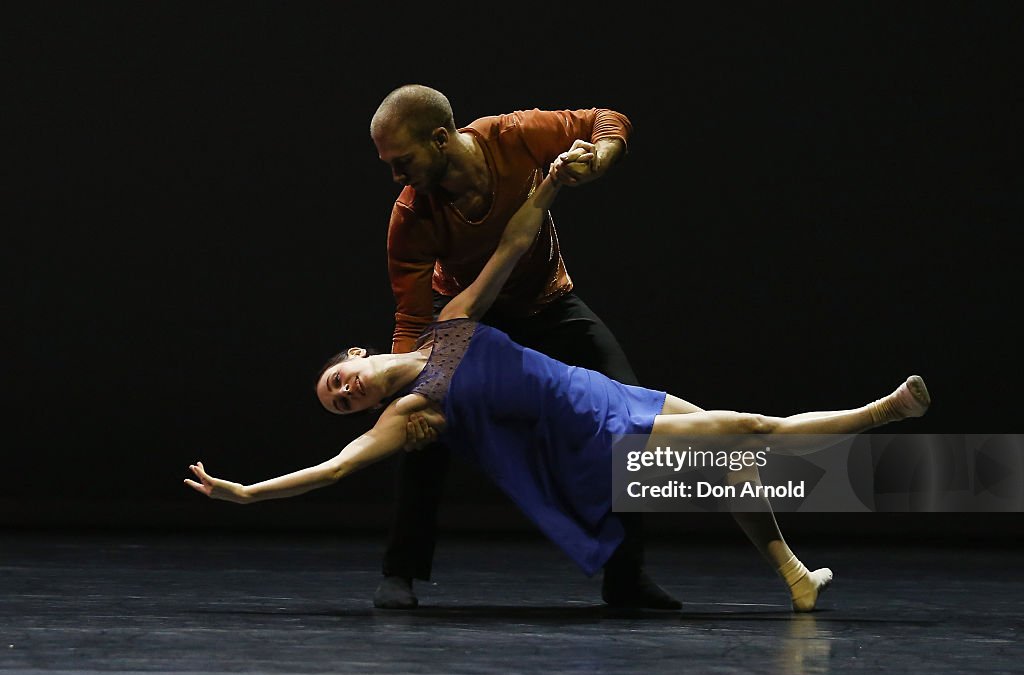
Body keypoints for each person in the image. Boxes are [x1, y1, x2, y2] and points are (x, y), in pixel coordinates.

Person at [185, 157, 932, 613]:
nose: (347, 392)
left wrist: (544, 190)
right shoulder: (417, 405)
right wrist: (247, 493)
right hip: (592, 437)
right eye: (343, 402)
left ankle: (795, 576)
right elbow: (338, 467)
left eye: (339, 381)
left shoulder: (447, 327)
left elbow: (510, 249)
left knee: (730, 466)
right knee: (750, 431)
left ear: (354, 352)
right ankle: (879, 412)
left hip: (599, 395)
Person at [368, 83, 676, 611]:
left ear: (441, 138)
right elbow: (412, 322)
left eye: (403, 162)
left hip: (549, 306)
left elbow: (606, 118)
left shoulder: (512, 136)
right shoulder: (411, 217)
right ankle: (402, 571)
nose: (396, 176)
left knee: (630, 413)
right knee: (422, 438)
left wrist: (599, 158)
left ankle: (626, 575)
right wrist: (408, 401)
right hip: (470, 326)